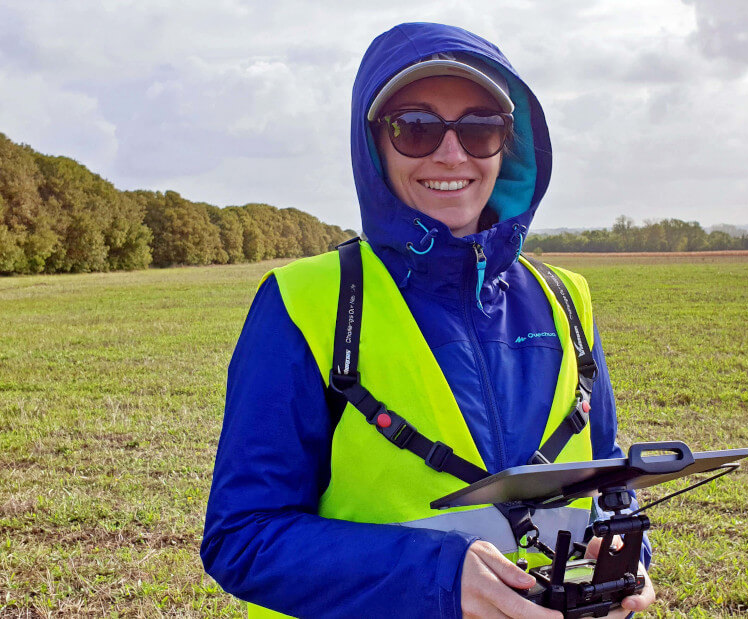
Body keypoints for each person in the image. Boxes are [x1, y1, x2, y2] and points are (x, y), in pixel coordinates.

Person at [201, 22, 655, 618]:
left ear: (509, 145)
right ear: (374, 146)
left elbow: (603, 487)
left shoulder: (566, 297)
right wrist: (438, 577)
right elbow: (243, 538)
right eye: (415, 128)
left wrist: (627, 558)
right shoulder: (304, 301)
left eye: (479, 128)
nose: (451, 153)